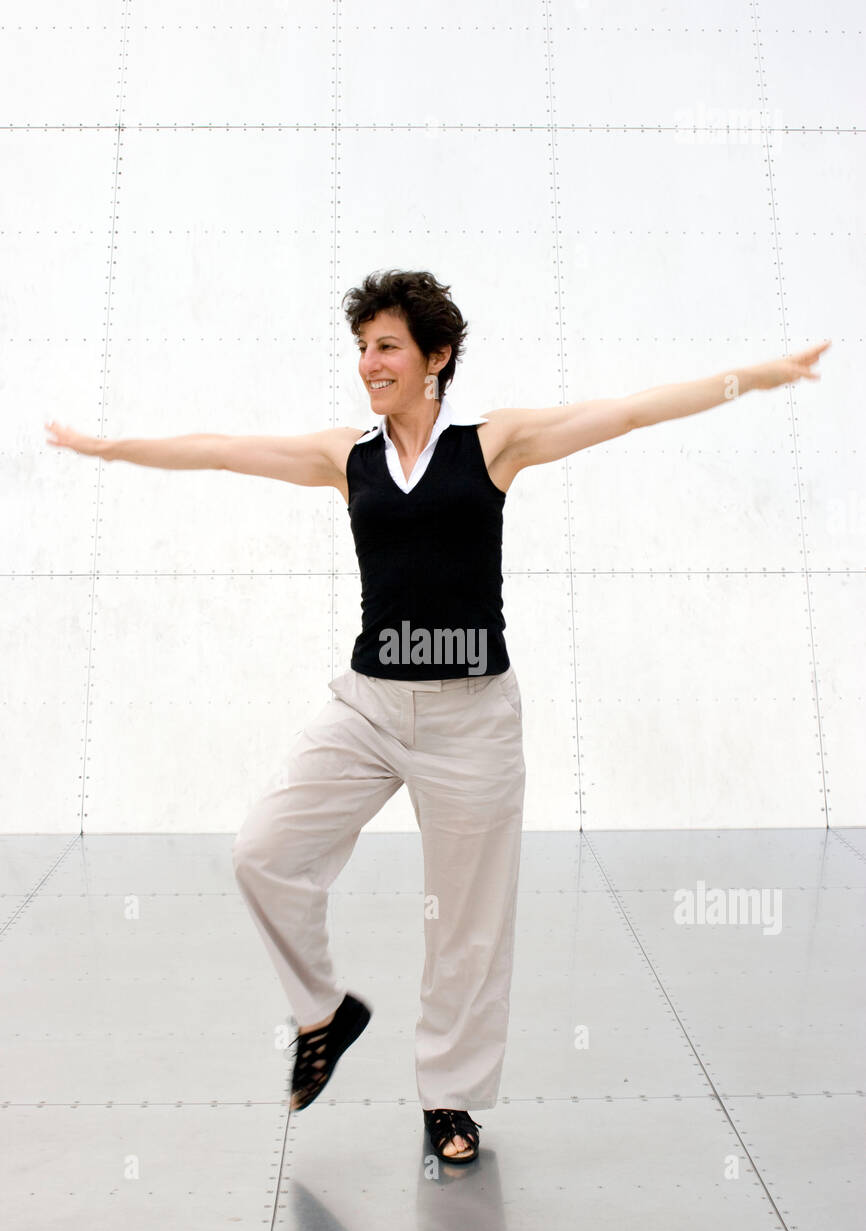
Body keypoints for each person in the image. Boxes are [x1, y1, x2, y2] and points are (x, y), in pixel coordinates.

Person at [44, 269, 830, 1164]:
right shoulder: (347, 457)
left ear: (436, 357)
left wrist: (760, 375)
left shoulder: (493, 444)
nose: (369, 365)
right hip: (370, 708)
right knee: (263, 852)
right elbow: (223, 447)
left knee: (466, 924)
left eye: (386, 347)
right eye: (362, 349)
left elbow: (632, 411)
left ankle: (449, 1102)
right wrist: (109, 451)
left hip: (473, 721)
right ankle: (324, 1013)